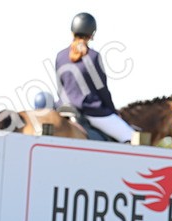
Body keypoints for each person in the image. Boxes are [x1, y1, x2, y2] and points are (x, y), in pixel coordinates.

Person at [55, 12, 135, 143]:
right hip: (90, 110)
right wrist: (113, 112)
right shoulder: (93, 57)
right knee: (132, 137)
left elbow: (60, 87)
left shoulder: (60, 56)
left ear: (72, 32)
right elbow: (102, 90)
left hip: (64, 109)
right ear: (92, 34)